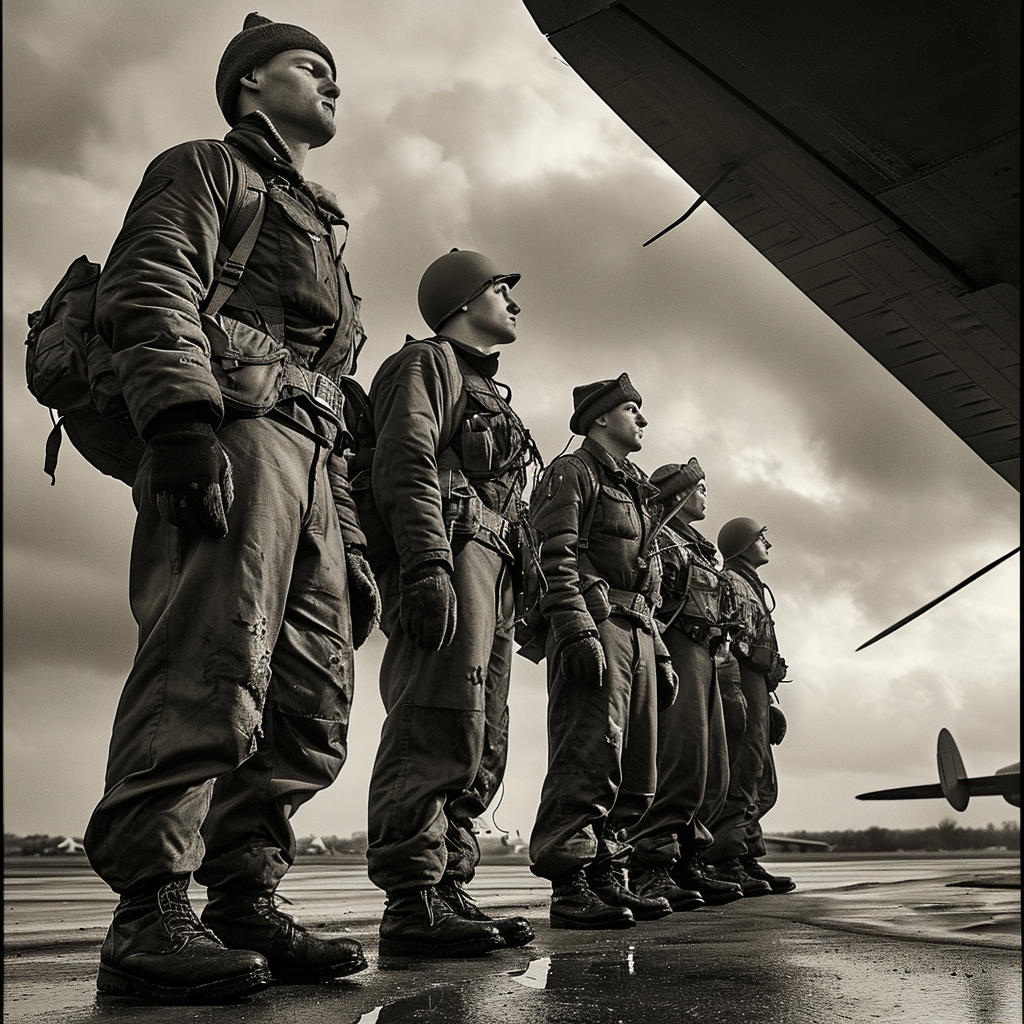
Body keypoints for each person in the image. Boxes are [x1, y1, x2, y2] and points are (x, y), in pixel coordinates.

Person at [82, 14, 381, 1002]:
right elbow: (154, 278)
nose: (330, 82)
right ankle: (153, 904)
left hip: (313, 463)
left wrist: (355, 546)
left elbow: (334, 391)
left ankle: (245, 893)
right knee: (211, 655)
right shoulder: (207, 169)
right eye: (309, 64)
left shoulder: (325, 228)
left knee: (310, 694)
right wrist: (176, 419)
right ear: (249, 83)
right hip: (234, 430)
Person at [363, 249, 539, 957]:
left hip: (493, 566)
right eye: (502, 289)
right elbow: (404, 461)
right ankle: (412, 898)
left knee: (482, 733)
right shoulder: (425, 364)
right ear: (464, 300)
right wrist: (428, 562)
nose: (515, 302)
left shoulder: (491, 391)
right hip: (453, 549)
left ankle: (447, 885)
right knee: (436, 719)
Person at [527, 374, 678, 929]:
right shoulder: (573, 473)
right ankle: (570, 887)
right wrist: (574, 628)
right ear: (599, 419)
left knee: (635, 766)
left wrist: (659, 652)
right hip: (598, 622)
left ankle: (607, 874)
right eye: (632, 409)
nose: (642, 419)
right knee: (588, 754)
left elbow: (648, 581)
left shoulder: (635, 489)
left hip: (637, 628)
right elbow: (553, 554)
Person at [626, 462, 744, 909]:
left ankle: (687, 859)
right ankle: (650, 866)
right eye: (697, 488)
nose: (704, 496)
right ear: (676, 494)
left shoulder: (698, 549)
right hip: (675, 646)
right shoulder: (659, 541)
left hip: (705, 654)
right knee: (678, 759)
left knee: (708, 768)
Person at [703, 518, 796, 895]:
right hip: (740, 679)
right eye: (761, 538)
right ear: (742, 545)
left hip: (758, 684)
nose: (768, 545)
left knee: (761, 780)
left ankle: (745, 856)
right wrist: (733, 691)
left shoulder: (752, 586)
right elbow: (723, 641)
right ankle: (726, 859)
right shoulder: (729, 582)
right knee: (742, 774)